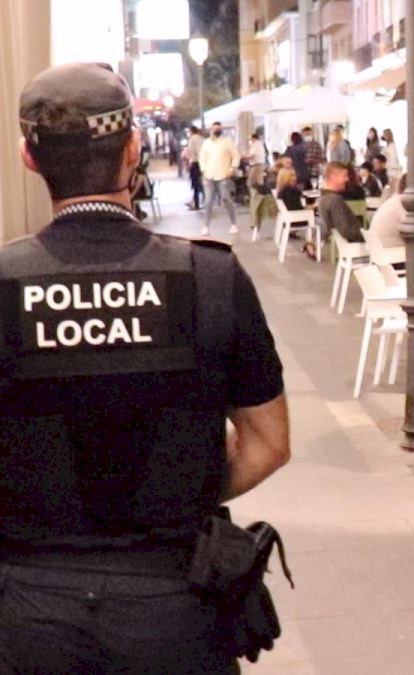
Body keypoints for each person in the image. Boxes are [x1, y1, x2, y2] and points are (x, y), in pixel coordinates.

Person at [2, 61, 289, 673]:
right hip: (176, 600)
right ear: (133, 148)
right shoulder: (210, 276)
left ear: (29, 157)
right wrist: (179, 492)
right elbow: (269, 445)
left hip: (28, 607)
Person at [313, 162, 365, 258]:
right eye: (344, 176)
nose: (347, 179)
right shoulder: (335, 200)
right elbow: (345, 231)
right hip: (358, 245)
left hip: (345, 245)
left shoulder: (323, 199)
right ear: (333, 177)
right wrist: (366, 234)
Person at [199, 121, 240, 237]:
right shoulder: (206, 143)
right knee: (208, 201)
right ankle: (206, 226)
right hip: (209, 175)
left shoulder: (227, 142)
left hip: (223, 175)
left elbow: (236, 155)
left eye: (219, 128)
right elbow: (202, 158)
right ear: (211, 129)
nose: (217, 130)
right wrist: (204, 170)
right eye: (215, 128)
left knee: (226, 199)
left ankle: (233, 224)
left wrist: (232, 168)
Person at [184, 125, 205, 210]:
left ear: (191, 131)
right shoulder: (201, 139)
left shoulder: (193, 139)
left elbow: (196, 151)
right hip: (199, 163)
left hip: (196, 163)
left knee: (196, 184)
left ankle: (196, 203)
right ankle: (194, 201)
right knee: (198, 184)